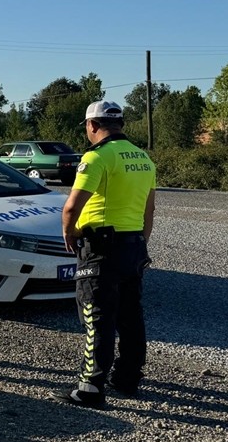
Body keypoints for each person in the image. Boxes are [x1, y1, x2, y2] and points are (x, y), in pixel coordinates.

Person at [52, 101, 156, 407]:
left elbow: (72, 206)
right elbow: (149, 210)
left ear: (93, 125)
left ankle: (91, 388)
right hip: (133, 244)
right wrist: (140, 242)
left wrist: (69, 232)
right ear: (120, 124)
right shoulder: (143, 158)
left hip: (101, 248)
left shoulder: (96, 157)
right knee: (130, 316)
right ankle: (127, 377)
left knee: (96, 316)